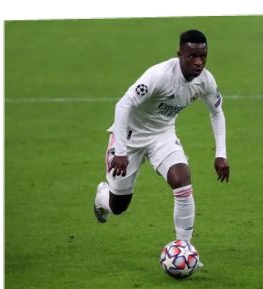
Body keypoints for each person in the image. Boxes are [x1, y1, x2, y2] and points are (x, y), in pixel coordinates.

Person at [93, 29, 229, 247]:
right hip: (130, 137)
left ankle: (183, 248)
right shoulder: (159, 76)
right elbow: (123, 105)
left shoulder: (205, 80)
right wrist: (120, 150)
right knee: (118, 206)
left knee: (182, 180)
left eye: (203, 56)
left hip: (162, 135)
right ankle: (102, 197)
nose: (198, 62)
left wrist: (221, 154)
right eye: (192, 56)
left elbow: (217, 112)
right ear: (179, 54)